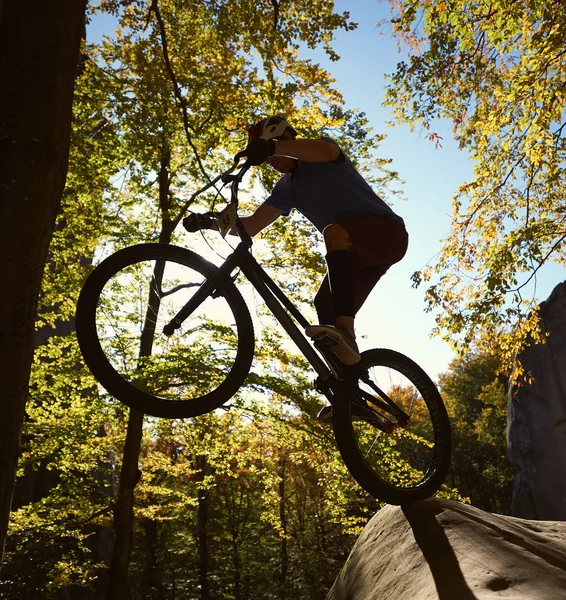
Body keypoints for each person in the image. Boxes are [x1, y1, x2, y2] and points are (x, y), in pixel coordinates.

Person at [236, 115, 408, 381]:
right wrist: (210, 222)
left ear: (286, 139)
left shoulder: (321, 154)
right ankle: (348, 389)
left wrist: (273, 147)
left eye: (273, 150)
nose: (271, 162)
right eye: (268, 159)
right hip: (358, 252)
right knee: (325, 302)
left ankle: (347, 334)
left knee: (334, 231)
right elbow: (251, 226)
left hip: (387, 234)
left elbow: (326, 150)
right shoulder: (286, 189)